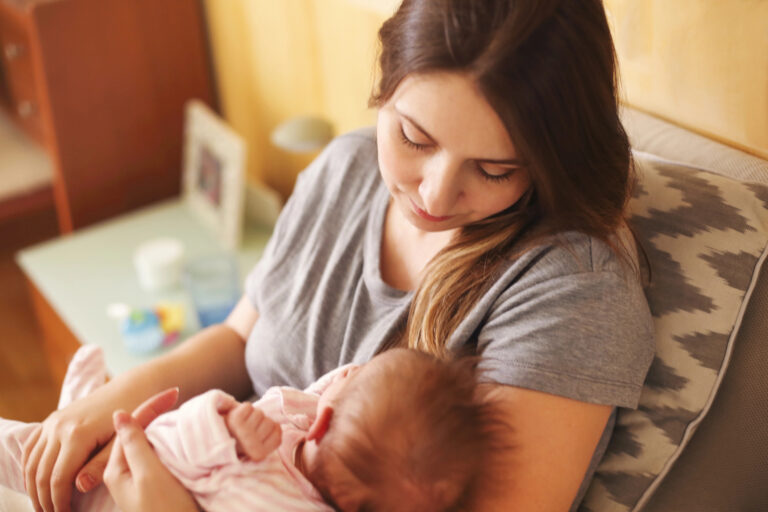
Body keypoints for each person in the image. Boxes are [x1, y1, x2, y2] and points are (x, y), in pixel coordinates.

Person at [21, 1, 655, 511]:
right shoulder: (346, 166)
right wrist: (110, 411)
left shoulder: (574, 289)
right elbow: (240, 338)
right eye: (413, 137)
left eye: (492, 170)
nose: (433, 194)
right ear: (385, 84)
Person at [5, 347, 507, 511]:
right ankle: (75, 403)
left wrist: (223, 424)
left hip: (130, 484)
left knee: (19, 451)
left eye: (354, 376)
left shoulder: (273, 437)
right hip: (127, 469)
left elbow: (186, 442)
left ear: (322, 421)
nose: (348, 371)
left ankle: (73, 403)